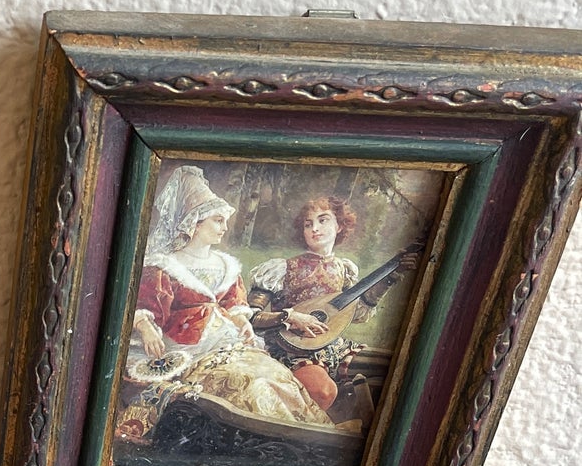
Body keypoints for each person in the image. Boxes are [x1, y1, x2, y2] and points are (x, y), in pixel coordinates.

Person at [116, 165, 333, 449]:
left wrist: (242, 322)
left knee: (276, 374)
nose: (224, 227)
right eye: (217, 221)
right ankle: (283, 443)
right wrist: (145, 326)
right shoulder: (163, 267)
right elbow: (145, 308)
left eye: (224, 221)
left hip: (230, 345)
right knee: (252, 384)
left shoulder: (226, 266)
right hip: (189, 352)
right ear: (194, 224)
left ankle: (314, 437)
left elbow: (236, 306)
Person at [247, 196, 416, 419]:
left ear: (340, 226)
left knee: (394, 367)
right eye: (308, 224)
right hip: (291, 349)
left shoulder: (344, 269)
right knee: (323, 391)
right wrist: (291, 317)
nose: (315, 229)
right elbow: (250, 316)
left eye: (323, 220)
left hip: (334, 347)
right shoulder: (281, 268)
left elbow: (356, 313)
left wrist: (391, 277)